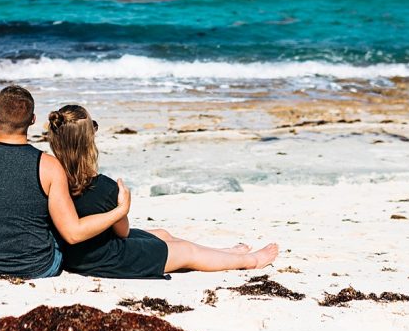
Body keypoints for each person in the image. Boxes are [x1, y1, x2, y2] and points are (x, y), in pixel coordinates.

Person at [47, 104, 279, 277]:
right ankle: (250, 261)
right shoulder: (105, 187)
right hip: (104, 258)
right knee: (186, 252)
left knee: (163, 234)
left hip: (79, 254)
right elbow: (123, 233)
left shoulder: (50, 176)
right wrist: (122, 208)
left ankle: (225, 252)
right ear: (90, 140)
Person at [0, 85, 130, 278]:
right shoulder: (48, 166)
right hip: (37, 266)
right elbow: (73, 233)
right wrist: (119, 211)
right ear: (32, 120)